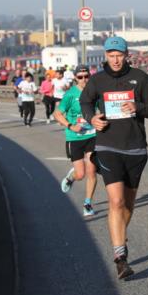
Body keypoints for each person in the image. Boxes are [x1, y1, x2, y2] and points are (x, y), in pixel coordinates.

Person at [80, 36, 148, 280]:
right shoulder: (97, 80)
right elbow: (86, 101)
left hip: (135, 149)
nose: (115, 60)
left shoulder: (140, 77)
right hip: (107, 146)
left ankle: (119, 235)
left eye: (119, 55)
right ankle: (120, 256)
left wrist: (138, 106)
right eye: (111, 55)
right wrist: (91, 118)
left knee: (127, 204)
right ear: (105, 56)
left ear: (127, 55)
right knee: (115, 202)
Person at [55, 65, 98, 217]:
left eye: (86, 76)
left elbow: (102, 110)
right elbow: (58, 114)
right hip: (75, 137)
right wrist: (71, 126)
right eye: (80, 77)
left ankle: (87, 203)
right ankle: (71, 177)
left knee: (91, 170)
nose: (84, 79)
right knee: (81, 174)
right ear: (75, 78)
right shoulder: (70, 95)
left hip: (92, 135)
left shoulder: (94, 92)